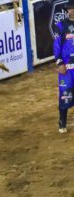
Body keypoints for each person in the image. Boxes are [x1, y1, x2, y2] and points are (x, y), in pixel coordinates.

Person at [53, 0, 74, 134]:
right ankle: (62, 123)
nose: (72, 10)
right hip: (67, 68)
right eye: (70, 8)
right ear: (67, 10)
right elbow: (56, 46)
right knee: (65, 94)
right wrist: (59, 63)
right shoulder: (60, 26)